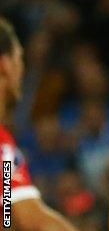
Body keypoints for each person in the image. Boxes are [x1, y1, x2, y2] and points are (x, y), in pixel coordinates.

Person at [0, 17, 78, 230]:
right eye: (20, 59)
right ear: (5, 64)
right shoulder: (2, 147)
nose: (22, 70)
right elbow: (35, 221)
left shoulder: (4, 144)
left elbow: (7, 213)